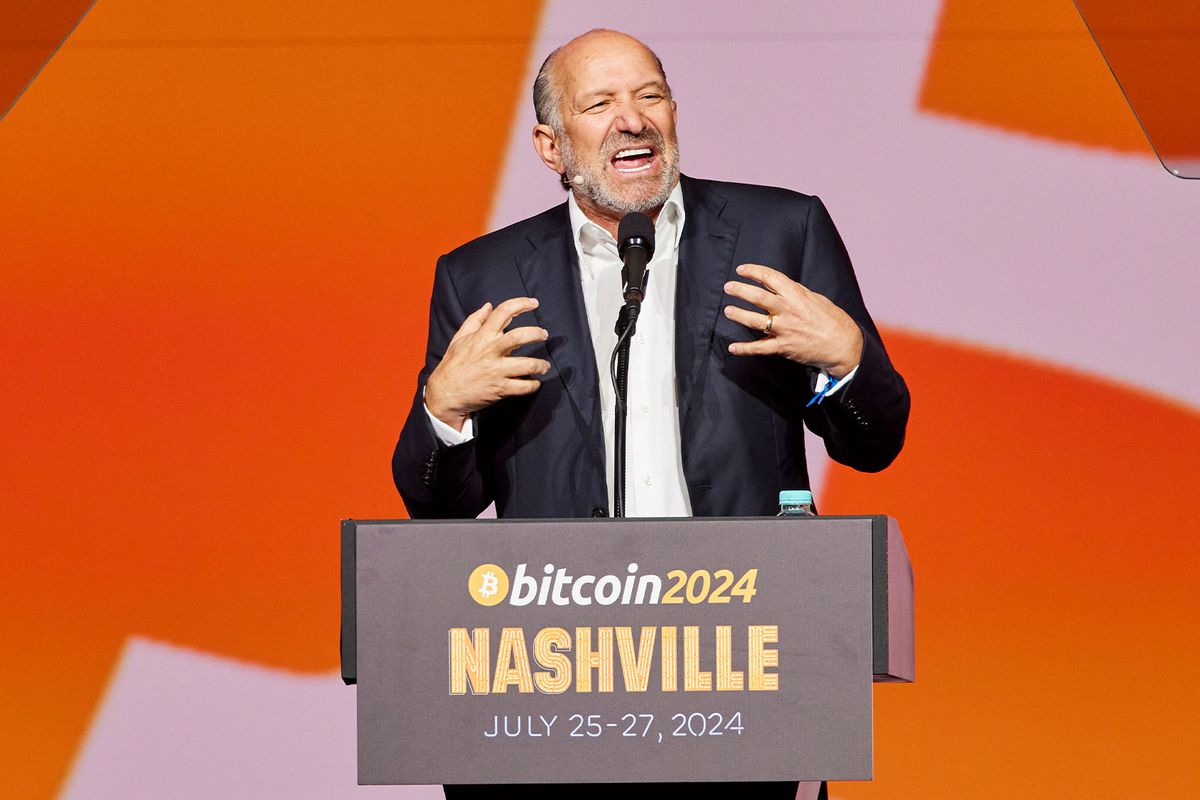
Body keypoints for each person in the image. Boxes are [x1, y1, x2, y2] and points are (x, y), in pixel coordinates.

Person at [392, 29, 909, 800]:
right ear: (550, 144)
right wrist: (444, 410)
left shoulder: (779, 231)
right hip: (550, 687)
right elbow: (439, 503)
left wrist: (849, 361)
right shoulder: (482, 275)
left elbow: (874, 445)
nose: (632, 119)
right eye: (599, 103)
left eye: (650, 96)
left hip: (742, 673)